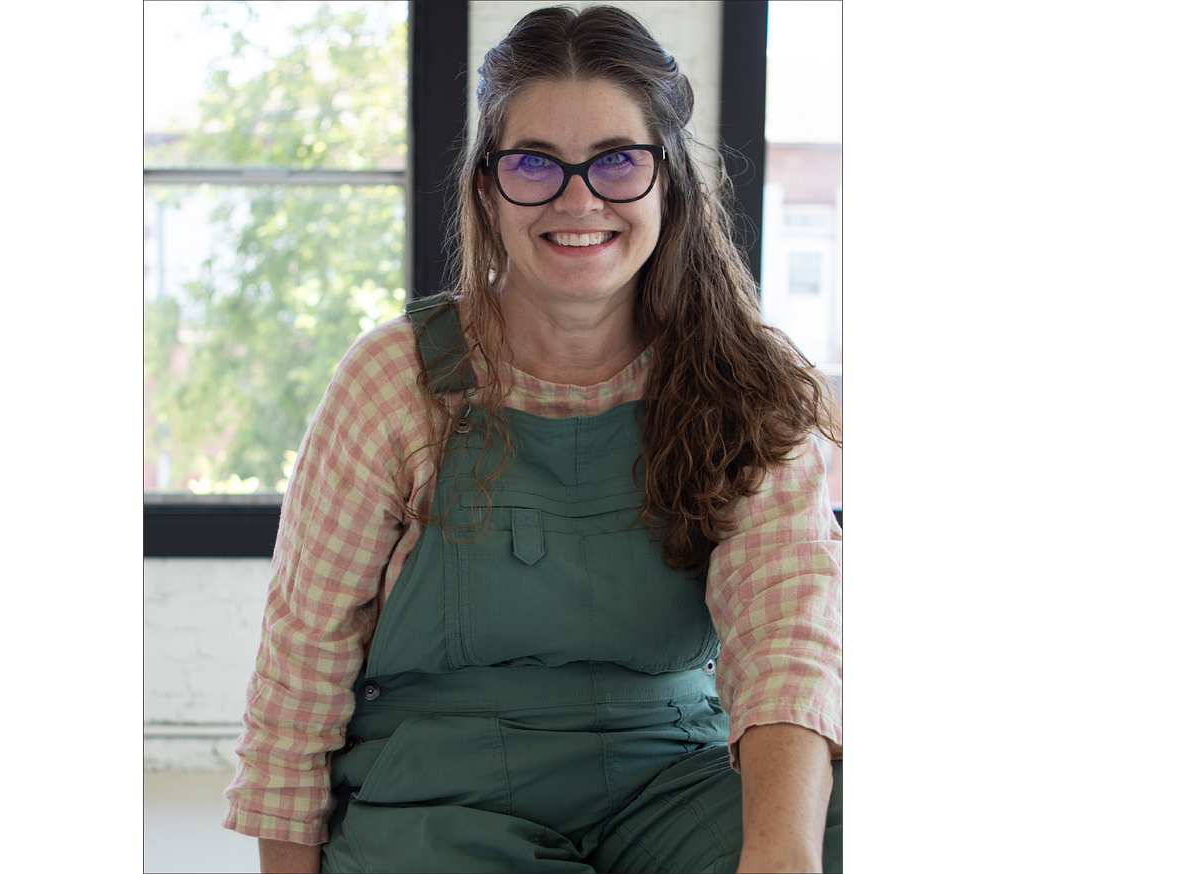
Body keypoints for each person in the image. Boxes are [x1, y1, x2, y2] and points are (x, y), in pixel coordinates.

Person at [223, 6, 843, 872]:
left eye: (618, 160)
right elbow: (301, 668)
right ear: (486, 185)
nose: (578, 197)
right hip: (443, 797)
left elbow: (788, 638)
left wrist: (780, 857)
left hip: (670, 773)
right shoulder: (390, 383)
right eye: (534, 164)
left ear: (670, 183)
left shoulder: (749, 389)